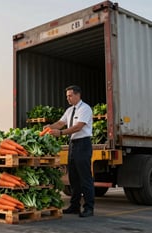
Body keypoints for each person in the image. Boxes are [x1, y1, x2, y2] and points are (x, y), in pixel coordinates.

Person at [45, 85, 94, 217]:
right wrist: (49, 127)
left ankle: (89, 208)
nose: (68, 98)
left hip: (83, 143)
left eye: (70, 96)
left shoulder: (85, 109)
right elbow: (60, 123)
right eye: (67, 96)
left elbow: (78, 127)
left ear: (78, 95)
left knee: (85, 177)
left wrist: (60, 133)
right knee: (73, 177)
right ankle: (74, 206)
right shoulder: (69, 110)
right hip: (73, 144)